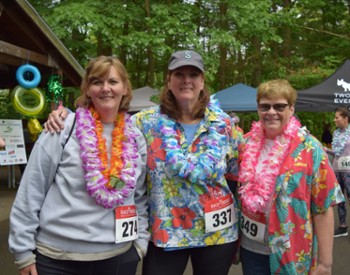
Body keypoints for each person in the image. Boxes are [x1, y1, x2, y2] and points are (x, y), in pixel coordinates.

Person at [44, 50, 242, 275]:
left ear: (202, 81)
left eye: (193, 74)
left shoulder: (223, 124)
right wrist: (65, 115)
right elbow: (105, 118)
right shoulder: (143, 122)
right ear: (169, 80)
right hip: (165, 233)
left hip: (217, 232)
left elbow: (237, 175)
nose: (186, 80)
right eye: (179, 74)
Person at [9, 56, 150, 275]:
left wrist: (140, 244)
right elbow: (32, 188)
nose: (105, 89)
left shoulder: (135, 137)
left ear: (125, 88)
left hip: (118, 258)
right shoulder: (63, 128)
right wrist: (23, 252)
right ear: (87, 89)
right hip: (58, 259)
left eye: (113, 82)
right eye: (97, 82)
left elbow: (140, 195)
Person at [238, 79, 343, 275]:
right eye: (265, 106)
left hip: (293, 252)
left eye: (279, 106)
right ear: (258, 109)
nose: (271, 112)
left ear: (292, 109)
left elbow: (323, 206)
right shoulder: (244, 143)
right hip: (251, 250)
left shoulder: (310, 148)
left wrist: (325, 263)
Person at [325, 106, 350, 237]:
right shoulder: (335, 133)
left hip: (348, 171)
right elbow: (336, 152)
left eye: (337, 117)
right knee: (339, 199)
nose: (334, 120)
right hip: (336, 170)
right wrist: (324, 149)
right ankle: (342, 226)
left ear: (345, 118)